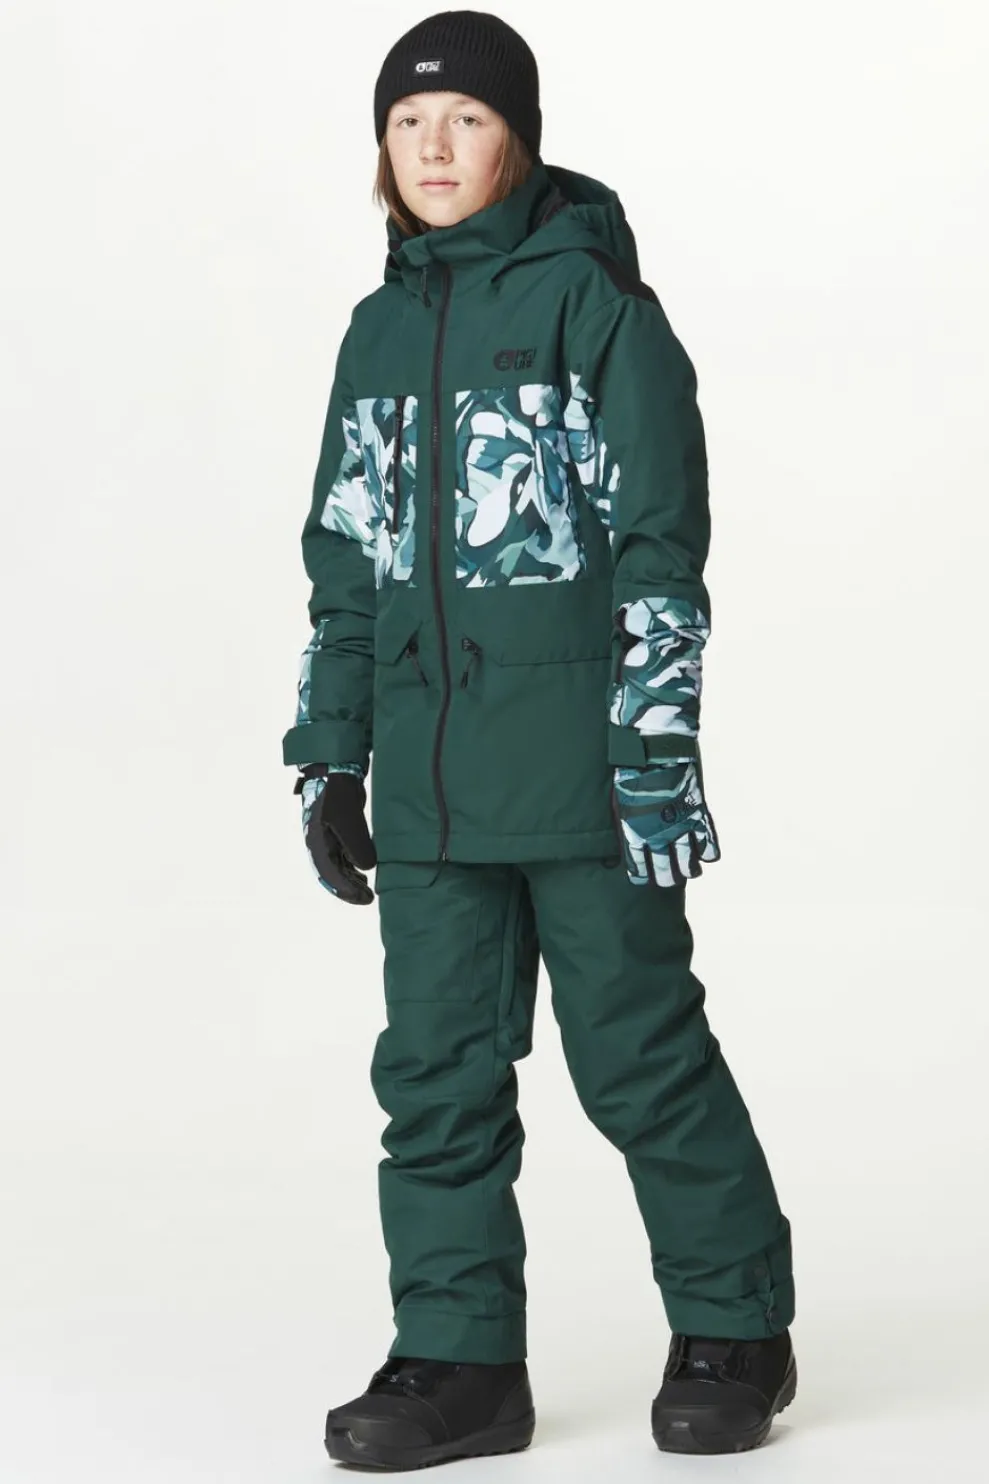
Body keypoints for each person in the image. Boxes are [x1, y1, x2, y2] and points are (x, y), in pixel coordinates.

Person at [282, 9, 797, 1469]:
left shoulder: (597, 307)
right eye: (406, 124)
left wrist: (654, 756)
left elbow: (660, 552)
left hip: (583, 779)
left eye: (465, 119)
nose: (434, 146)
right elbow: (346, 561)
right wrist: (329, 754)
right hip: (430, 784)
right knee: (434, 1077)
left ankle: (735, 1326)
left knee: (639, 1057)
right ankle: (459, 1360)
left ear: (517, 138)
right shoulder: (377, 333)